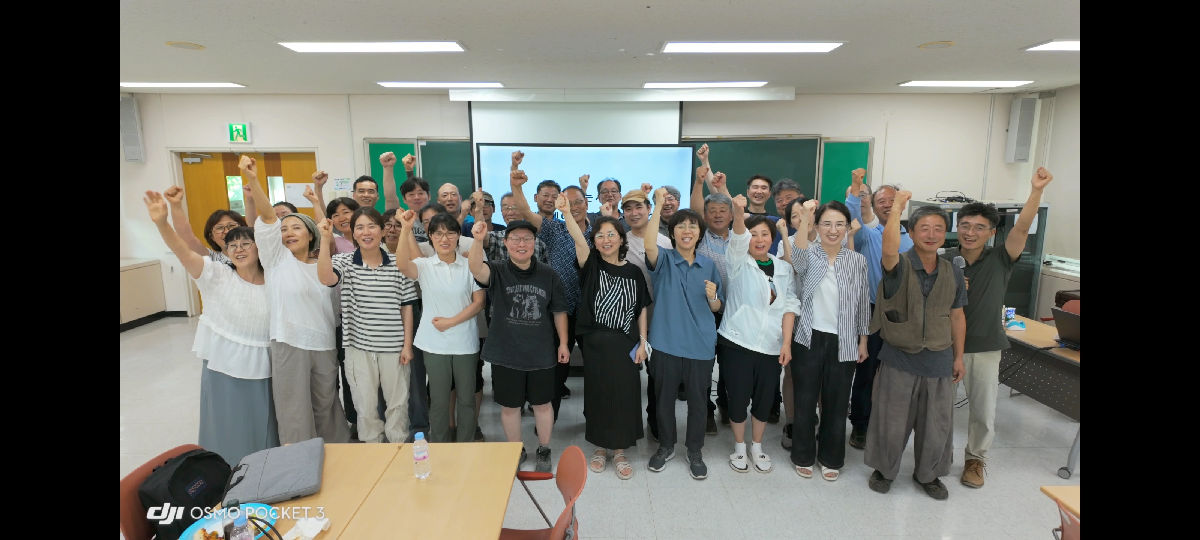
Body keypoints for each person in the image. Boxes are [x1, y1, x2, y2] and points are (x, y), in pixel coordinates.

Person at [143, 190, 278, 466]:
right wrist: (163, 223)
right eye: (232, 245)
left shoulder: (275, 281)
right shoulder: (215, 274)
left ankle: (265, 470)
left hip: (266, 363)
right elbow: (183, 250)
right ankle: (224, 471)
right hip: (224, 363)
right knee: (227, 423)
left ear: (259, 248)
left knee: (264, 423)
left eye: (246, 243)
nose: (239, 248)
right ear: (225, 251)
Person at [943, 167, 1053, 489]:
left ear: (991, 232)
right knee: (940, 408)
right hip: (944, 347)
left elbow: (1022, 227)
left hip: (985, 346)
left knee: (982, 411)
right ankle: (937, 453)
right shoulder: (945, 259)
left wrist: (1036, 191)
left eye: (979, 227)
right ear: (957, 227)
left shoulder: (1001, 258)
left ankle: (975, 460)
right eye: (965, 225)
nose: (970, 232)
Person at [240, 155, 351, 445]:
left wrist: (317, 205)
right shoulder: (276, 260)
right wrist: (253, 178)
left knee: (327, 406)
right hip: (289, 343)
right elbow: (267, 217)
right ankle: (298, 463)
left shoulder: (325, 265)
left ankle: (337, 455)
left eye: (296, 227)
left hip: (323, 343)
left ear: (311, 234)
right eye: (284, 229)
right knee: (294, 411)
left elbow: (326, 233)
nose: (288, 232)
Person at [864, 190, 966, 500]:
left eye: (938, 229)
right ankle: (884, 470)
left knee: (937, 424)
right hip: (899, 358)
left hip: (938, 359)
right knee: (891, 420)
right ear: (910, 232)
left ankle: (929, 474)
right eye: (924, 228)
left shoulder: (952, 271)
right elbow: (888, 248)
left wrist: (958, 357)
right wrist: (897, 207)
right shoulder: (898, 265)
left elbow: (957, 316)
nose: (931, 235)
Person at [558, 194, 651, 480]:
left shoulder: (634, 272)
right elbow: (578, 240)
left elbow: (641, 308)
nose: (606, 240)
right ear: (595, 242)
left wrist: (643, 342)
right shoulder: (591, 264)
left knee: (625, 395)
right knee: (598, 395)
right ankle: (600, 447)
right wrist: (567, 213)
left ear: (622, 239)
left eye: (612, 234)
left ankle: (620, 451)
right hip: (596, 343)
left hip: (626, 343)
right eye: (600, 236)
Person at [467, 218, 570, 472]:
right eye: (515, 239)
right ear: (506, 243)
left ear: (535, 243)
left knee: (543, 405)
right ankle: (516, 449)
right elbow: (476, 269)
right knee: (510, 407)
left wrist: (564, 343)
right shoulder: (497, 270)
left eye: (527, 239)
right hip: (505, 353)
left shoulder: (549, 274)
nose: (521, 244)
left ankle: (544, 449)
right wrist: (478, 240)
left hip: (541, 353)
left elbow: (559, 311)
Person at [317, 207, 418, 444]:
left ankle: (397, 448)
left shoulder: (398, 263)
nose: (366, 232)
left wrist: (407, 346)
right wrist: (324, 239)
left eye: (372, 226)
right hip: (358, 348)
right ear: (353, 233)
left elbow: (407, 307)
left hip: (394, 347)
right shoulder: (343, 261)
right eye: (360, 227)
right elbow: (326, 278)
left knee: (398, 404)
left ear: (382, 231)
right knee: (365, 406)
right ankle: (372, 449)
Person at [787, 199, 871, 482]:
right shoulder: (809, 254)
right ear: (817, 226)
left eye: (839, 224)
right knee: (805, 400)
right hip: (808, 337)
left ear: (847, 227)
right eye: (826, 224)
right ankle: (803, 455)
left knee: (837, 403)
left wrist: (863, 340)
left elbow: (862, 303)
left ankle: (831, 457)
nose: (833, 230)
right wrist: (805, 218)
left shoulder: (857, 261)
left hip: (844, 340)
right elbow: (797, 260)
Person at [643, 187, 723, 480]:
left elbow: (717, 307)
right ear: (672, 233)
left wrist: (713, 297)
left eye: (692, 226)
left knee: (698, 402)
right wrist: (657, 205)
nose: (687, 231)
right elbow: (648, 244)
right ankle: (666, 446)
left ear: (700, 233)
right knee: (663, 399)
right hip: (666, 342)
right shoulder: (664, 259)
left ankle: (695, 450)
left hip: (701, 344)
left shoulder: (708, 264)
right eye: (681, 226)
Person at [718, 194, 800, 474]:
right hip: (738, 341)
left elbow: (790, 305)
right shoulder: (738, 261)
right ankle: (739, 447)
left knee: (765, 399)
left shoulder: (784, 268)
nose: (759, 239)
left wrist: (786, 343)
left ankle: (757, 446)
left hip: (771, 346)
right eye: (754, 234)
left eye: (765, 234)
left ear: (772, 239)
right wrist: (738, 212)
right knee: (738, 397)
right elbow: (738, 237)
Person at [508, 152, 592, 419]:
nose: (575, 207)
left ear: (587, 203)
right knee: (557, 368)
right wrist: (516, 185)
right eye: (569, 202)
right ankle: (547, 419)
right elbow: (525, 211)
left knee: (595, 368)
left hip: (590, 311)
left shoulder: (599, 232)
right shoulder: (554, 229)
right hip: (559, 310)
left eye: (579, 201)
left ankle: (595, 420)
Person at [394, 209, 486, 443]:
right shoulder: (424, 265)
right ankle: (440, 447)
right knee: (438, 400)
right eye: (438, 234)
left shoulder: (470, 265)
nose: (444, 239)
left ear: (458, 236)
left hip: (465, 342)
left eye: (450, 233)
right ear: (431, 237)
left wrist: (450, 322)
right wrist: (405, 229)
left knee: (466, 399)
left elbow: (479, 302)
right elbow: (402, 264)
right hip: (434, 344)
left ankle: (466, 446)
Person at [845, 168, 913, 449]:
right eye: (880, 200)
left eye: (891, 200)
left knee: (897, 374)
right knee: (866, 371)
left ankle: (888, 425)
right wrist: (856, 189)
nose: (886, 204)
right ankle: (860, 425)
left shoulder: (911, 237)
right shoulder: (868, 233)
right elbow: (854, 216)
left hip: (903, 315)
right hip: (871, 312)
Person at [620, 188, 673, 441]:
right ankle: (626, 424)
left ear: (649, 209)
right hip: (626, 321)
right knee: (626, 375)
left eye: (639, 207)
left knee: (657, 375)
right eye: (628, 209)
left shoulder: (665, 242)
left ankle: (656, 421)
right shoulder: (619, 242)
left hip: (658, 319)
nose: (634, 213)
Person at [161, 185, 246, 265]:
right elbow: (188, 238)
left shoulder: (253, 254)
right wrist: (176, 205)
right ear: (212, 237)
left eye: (231, 226)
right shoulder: (212, 260)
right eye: (220, 228)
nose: (227, 231)